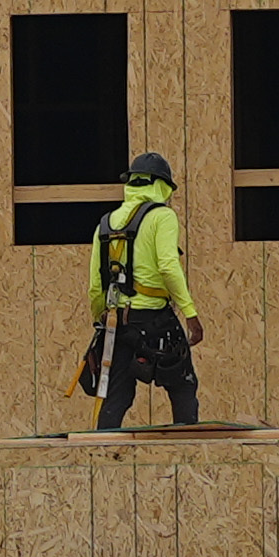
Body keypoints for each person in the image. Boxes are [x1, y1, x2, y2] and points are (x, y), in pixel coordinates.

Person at [88, 151, 203, 428]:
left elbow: (95, 284)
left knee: (116, 397)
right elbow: (168, 266)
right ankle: (189, 452)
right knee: (183, 387)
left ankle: (103, 457)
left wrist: (101, 317)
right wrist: (190, 313)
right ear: (162, 185)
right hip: (155, 319)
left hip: (118, 323)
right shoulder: (162, 216)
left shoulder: (106, 223)